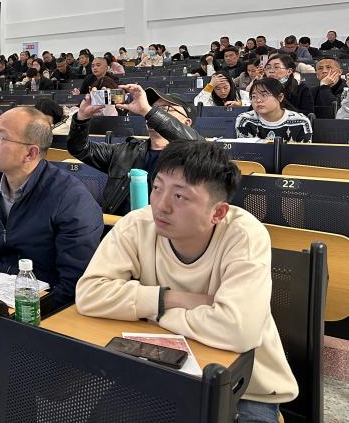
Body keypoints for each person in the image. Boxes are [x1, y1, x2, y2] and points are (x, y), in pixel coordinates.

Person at [75, 141, 297, 422]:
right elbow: (89, 294)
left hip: (245, 386)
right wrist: (167, 299)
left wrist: (152, 313)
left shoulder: (244, 236)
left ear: (218, 212)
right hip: (158, 370)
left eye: (180, 196)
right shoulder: (137, 224)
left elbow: (237, 331)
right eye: (157, 187)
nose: (161, 206)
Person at [0, 107, 103, 308]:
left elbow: (73, 283)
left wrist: (25, 312)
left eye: (0, 137)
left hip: (43, 306)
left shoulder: (71, 199)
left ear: (30, 153)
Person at [67, 84, 202, 215]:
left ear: (187, 123)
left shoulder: (195, 158)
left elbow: (198, 147)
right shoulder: (124, 152)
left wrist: (148, 111)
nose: (155, 112)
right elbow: (79, 148)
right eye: (154, 108)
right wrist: (81, 118)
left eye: (166, 108)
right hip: (120, 225)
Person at [235, 78, 313, 142]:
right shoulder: (245, 120)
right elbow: (244, 151)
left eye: (264, 95)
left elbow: (305, 153)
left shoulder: (301, 121)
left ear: (280, 97)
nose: (258, 100)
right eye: (254, 96)